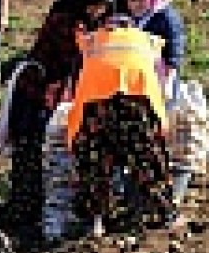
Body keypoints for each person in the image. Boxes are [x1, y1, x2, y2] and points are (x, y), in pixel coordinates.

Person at [4, 0, 116, 236]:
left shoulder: (87, 20)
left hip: (57, 94)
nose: (99, 10)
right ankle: (23, 217)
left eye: (103, 5)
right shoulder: (65, 21)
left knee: (51, 156)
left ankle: (41, 212)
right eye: (95, 4)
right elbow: (78, 59)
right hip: (38, 93)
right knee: (31, 153)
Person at [68, 25, 179, 236]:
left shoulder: (91, 41)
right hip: (135, 101)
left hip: (95, 104)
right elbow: (160, 79)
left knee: (94, 164)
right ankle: (162, 215)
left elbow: (77, 79)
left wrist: (75, 136)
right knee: (147, 162)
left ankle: (93, 221)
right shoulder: (147, 41)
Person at [125, 0, 191, 205]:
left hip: (161, 82)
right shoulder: (138, 19)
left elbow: (174, 53)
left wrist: (165, 82)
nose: (137, 4)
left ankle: (160, 189)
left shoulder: (165, 17)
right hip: (141, 84)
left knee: (160, 133)